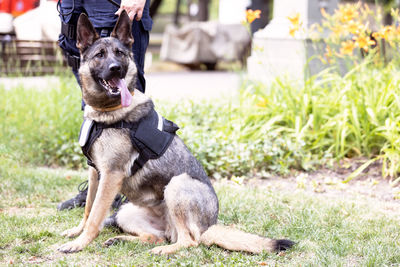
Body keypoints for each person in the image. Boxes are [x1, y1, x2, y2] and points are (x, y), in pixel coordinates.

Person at [57, 0, 152, 211]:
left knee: (128, 99)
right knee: (94, 90)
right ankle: (102, 185)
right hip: (73, 5)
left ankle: (134, 194)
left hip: (113, 4)